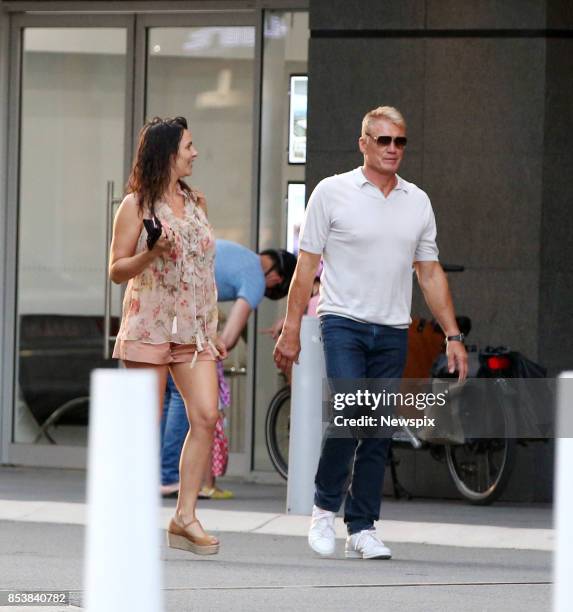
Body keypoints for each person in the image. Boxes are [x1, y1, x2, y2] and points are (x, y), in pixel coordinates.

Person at [273, 105, 468, 560]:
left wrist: (452, 335)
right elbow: (305, 268)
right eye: (383, 141)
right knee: (351, 414)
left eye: (400, 141)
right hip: (342, 321)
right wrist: (290, 329)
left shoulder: (417, 201)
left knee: (378, 428)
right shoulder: (332, 192)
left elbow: (430, 273)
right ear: (364, 143)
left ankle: (362, 527)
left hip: (392, 327)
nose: (393, 149)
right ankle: (324, 510)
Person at [109, 116, 227, 556]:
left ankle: (184, 516)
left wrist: (211, 326)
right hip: (149, 323)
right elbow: (117, 270)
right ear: (167, 154)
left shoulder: (197, 202)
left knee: (206, 416)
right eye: (189, 146)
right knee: (144, 426)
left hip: (193, 330)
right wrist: (150, 253)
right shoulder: (135, 205)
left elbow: (200, 267)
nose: (196, 153)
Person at [160, 241, 297, 498]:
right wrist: (213, 352)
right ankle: (168, 476)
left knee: (168, 396)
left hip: (162, 305)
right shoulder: (256, 278)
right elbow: (230, 336)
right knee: (182, 397)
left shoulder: (240, 255)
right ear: (277, 278)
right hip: (181, 314)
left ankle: (158, 474)